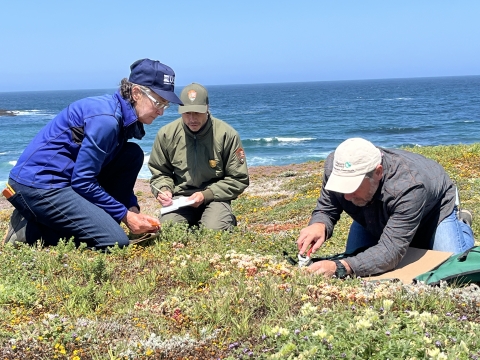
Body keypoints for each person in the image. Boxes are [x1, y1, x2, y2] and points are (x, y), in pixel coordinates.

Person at [3, 58, 183, 249]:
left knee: (132, 154)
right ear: (137, 93)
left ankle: (51, 219)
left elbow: (106, 171)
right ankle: (30, 229)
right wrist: (125, 216)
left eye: (165, 105)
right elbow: (83, 181)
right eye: (158, 102)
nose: (161, 112)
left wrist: (131, 207)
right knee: (115, 241)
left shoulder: (120, 115)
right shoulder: (107, 120)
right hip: (38, 185)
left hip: (66, 180)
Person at [297, 137, 474, 278]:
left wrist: (342, 267)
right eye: (342, 187)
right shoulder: (336, 166)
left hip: (434, 211)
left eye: (352, 187)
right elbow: (327, 208)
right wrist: (319, 224)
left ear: (378, 172)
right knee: (357, 258)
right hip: (372, 211)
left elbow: (390, 252)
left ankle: (462, 223)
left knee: (453, 267)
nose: (346, 197)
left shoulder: (410, 186)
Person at [148, 83, 249, 231]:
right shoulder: (166, 134)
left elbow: (238, 178)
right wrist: (164, 189)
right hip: (180, 199)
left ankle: (223, 218)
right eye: (187, 113)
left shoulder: (227, 134)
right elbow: (160, 172)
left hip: (215, 198)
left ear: (207, 108)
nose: (192, 118)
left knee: (214, 231)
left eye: (197, 112)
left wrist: (205, 195)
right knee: (169, 229)